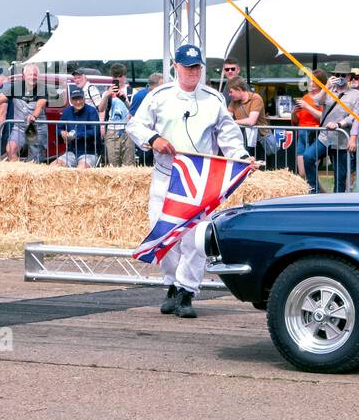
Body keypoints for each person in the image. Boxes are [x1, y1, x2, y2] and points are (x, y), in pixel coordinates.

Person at [127, 43, 254, 319]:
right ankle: (171, 283)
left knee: (196, 239)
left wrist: (240, 157)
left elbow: (228, 133)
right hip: (166, 176)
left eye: (197, 67)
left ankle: (187, 290)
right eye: (188, 67)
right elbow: (135, 125)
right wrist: (153, 140)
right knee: (164, 233)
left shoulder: (213, 99)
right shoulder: (159, 96)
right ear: (176, 67)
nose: (193, 72)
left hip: (200, 180)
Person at [0, 63, 48, 162]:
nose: (32, 77)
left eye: (35, 75)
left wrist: (34, 115)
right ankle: (17, 174)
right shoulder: (16, 87)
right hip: (20, 127)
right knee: (10, 149)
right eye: (30, 74)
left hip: (36, 127)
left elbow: (41, 104)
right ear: (24, 76)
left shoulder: (42, 87)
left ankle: (30, 176)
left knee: (35, 159)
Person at [51, 83, 103, 169]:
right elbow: (58, 128)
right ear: (70, 100)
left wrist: (75, 135)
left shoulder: (92, 111)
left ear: (84, 99)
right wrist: (61, 132)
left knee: (81, 169)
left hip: (89, 152)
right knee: (53, 166)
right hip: (71, 152)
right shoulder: (67, 111)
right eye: (75, 99)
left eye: (80, 98)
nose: (78, 102)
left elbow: (95, 132)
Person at [102, 63, 138, 166]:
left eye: (120, 76)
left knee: (128, 164)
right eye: (115, 76)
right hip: (112, 130)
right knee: (113, 164)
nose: (118, 78)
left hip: (128, 130)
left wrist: (125, 99)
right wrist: (106, 96)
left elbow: (133, 112)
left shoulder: (132, 91)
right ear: (112, 77)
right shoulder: (107, 91)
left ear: (124, 76)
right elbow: (100, 109)